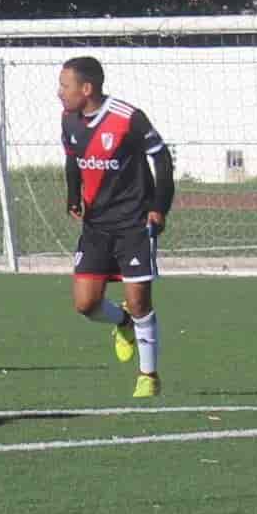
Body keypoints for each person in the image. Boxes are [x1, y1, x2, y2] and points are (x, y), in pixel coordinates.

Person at [55, 56, 172, 399]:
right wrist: (73, 195)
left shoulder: (127, 118)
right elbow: (72, 158)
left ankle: (148, 376)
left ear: (86, 88)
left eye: (65, 85)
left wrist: (158, 208)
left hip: (134, 224)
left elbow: (161, 158)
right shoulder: (68, 120)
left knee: (139, 302)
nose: (59, 92)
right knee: (85, 305)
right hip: (96, 227)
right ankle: (122, 324)